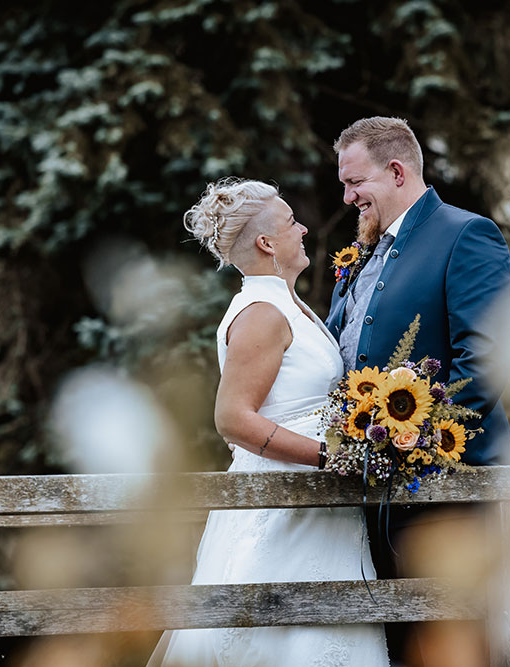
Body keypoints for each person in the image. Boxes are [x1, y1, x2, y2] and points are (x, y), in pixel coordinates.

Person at [149, 178, 389, 666]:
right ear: (266, 243)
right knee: (278, 637)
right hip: (285, 507)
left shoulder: (284, 303)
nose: (302, 228)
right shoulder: (261, 312)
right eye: (290, 222)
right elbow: (233, 419)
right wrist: (329, 456)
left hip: (314, 510)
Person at [327, 117, 510, 665]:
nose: (347, 197)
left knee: (455, 644)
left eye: (355, 182)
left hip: (446, 496)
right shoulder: (362, 253)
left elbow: (483, 362)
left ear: (396, 171)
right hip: (372, 501)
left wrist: (410, 445)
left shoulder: (466, 235)